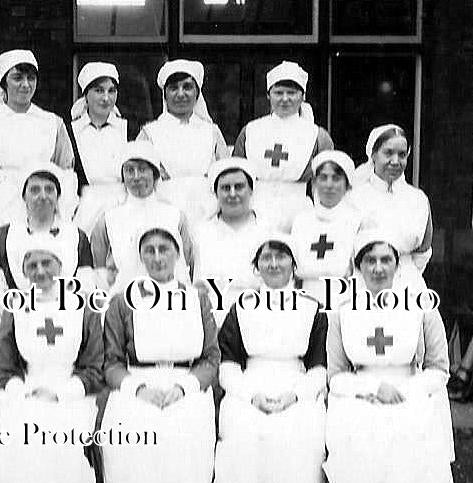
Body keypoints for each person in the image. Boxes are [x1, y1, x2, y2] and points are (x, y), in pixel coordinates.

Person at [323, 231, 455, 483]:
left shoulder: (421, 306)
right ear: (359, 266)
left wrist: (406, 391)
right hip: (359, 391)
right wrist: (369, 390)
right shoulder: (342, 312)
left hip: (409, 390)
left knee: (406, 434)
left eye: (386, 260)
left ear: (398, 265)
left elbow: (439, 368)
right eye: (370, 260)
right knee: (354, 433)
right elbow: (336, 375)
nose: (379, 268)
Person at [101, 227, 223, 483]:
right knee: (135, 430)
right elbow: (110, 362)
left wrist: (185, 387)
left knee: (183, 432)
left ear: (177, 255)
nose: (157, 258)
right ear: (140, 258)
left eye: (164, 250)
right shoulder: (122, 301)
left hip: (185, 384)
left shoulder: (196, 297)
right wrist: (137, 389)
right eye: (149, 251)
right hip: (138, 384)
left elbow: (211, 358)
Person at [213, 235, 331, 483]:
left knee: (299, 433)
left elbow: (319, 366)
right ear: (256, 267)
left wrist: (295, 396)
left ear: (294, 265)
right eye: (267, 258)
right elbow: (229, 363)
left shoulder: (311, 308)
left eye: (282, 257)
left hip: (297, 387)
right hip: (250, 386)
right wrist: (251, 395)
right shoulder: (242, 307)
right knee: (242, 431)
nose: (275, 264)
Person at [0, 241, 103, 483]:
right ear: (22, 273)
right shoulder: (15, 308)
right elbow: (4, 370)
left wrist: (61, 392)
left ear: (62, 267)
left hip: (71, 392)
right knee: (18, 437)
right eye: (32, 266)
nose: (40, 271)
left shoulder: (82, 307)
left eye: (47, 263)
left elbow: (94, 367)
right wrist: (24, 392)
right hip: (25, 392)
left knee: (61, 439)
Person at [0, 49, 77, 230]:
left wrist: (61, 214)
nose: (25, 85)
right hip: (0, 210)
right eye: (18, 78)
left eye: (31, 78)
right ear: (4, 83)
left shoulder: (53, 123)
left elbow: (67, 175)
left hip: (43, 207)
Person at [233, 61, 334, 233]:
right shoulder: (251, 131)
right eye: (278, 93)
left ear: (302, 96)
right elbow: (236, 173)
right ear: (268, 95)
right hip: (255, 207)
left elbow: (326, 180)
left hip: (299, 209)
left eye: (292, 93)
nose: (285, 99)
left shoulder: (317, 135)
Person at [0, 163, 95, 306]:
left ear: (58, 196)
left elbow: (86, 289)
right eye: (35, 190)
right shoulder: (3, 236)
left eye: (49, 190)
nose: (43, 196)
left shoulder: (77, 236)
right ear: (23, 196)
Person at [90, 141, 193, 293]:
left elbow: (188, 262)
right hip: (124, 301)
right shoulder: (108, 219)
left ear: (154, 173)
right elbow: (99, 270)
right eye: (130, 170)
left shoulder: (175, 216)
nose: (136, 177)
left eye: (143, 169)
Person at [138, 59, 229, 228]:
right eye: (173, 88)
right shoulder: (150, 133)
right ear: (165, 94)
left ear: (197, 93)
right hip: (163, 215)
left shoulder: (211, 132)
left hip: (207, 216)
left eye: (187, 87)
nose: (181, 94)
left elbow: (225, 174)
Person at [346, 125, 433, 292]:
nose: (395, 161)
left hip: (407, 283)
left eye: (402, 155)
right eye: (388, 153)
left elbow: (423, 251)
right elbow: (346, 250)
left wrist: (405, 274)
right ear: (373, 155)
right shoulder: (354, 198)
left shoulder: (418, 199)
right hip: (363, 284)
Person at [193, 157, 268, 326]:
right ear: (216, 192)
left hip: (257, 318)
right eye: (226, 188)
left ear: (251, 190)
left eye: (239, 187)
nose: (232, 194)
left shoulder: (267, 230)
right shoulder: (201, 232)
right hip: (213, 321)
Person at [290, 151, 362, 304]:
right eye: (323, 178)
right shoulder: (301, 220)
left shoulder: (356, 220)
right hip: (305, 296)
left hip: (343, 297)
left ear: (347, 184)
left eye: (336, 179)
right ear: (315, 183)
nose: (329, 185)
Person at [68, 62, 129, 233]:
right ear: (85, 95)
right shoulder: (71, 131)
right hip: (84, 213)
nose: (106, 98)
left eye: (111, 91)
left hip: (122, 209)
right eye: (99, 90)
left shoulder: (127, 129)